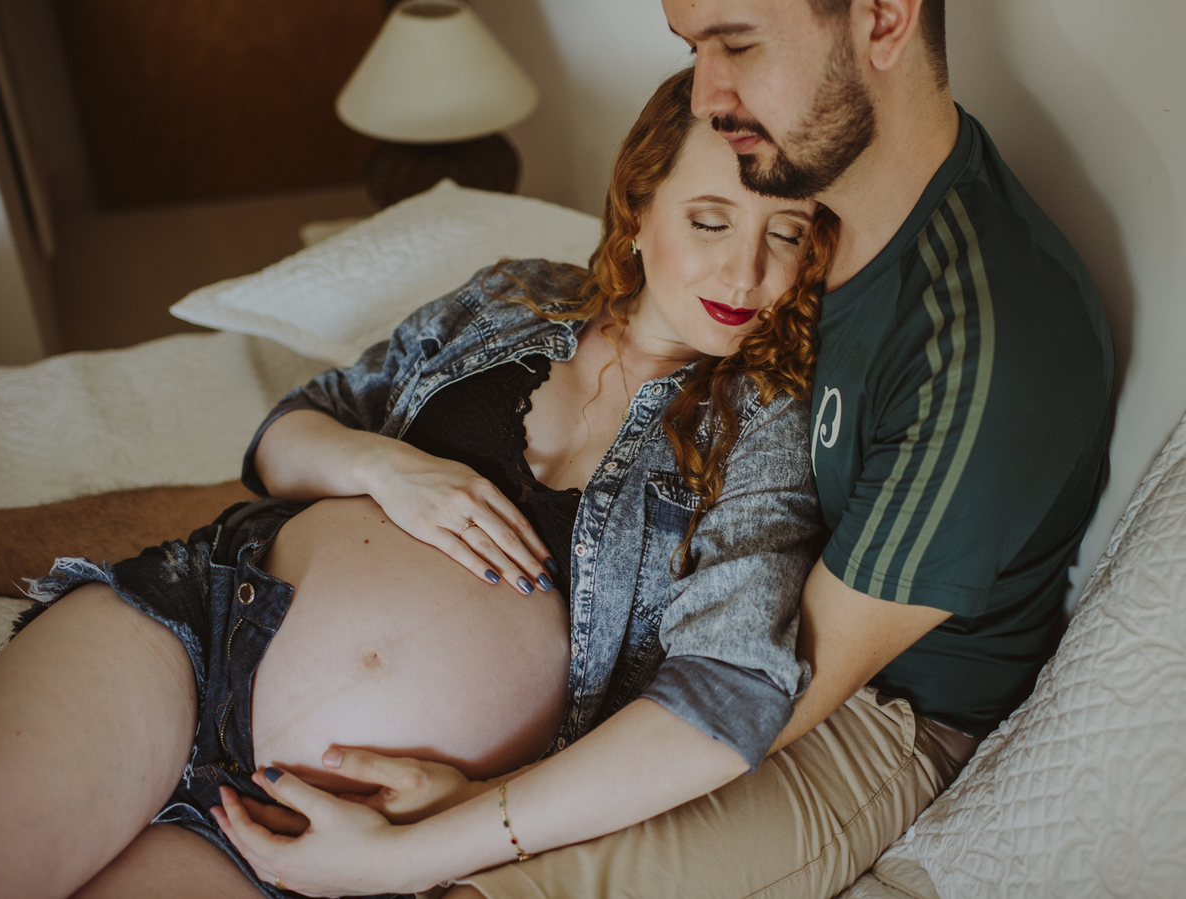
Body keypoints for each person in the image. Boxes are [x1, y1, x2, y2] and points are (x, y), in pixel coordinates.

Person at [225, 0, 1113, 897]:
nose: (706, 89)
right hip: (716, 655)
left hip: (870, 708)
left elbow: (767, 687)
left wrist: (474, 815)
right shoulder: (812, 195)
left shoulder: (987, 339)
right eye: (693, 48)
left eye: (736, 43)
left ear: (883, 19)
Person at [0, 67, 836, 899]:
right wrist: (385, 465)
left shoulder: (761, 426)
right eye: (711, 220)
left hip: (318, 829)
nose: (745, 274)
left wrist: (452, 835)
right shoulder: (516, 294)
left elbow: (729, 695)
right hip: (188, 626)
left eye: (786, 234)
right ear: (642, 207)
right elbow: (288, 431)